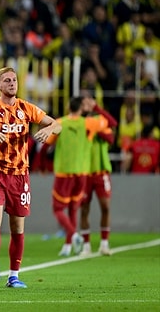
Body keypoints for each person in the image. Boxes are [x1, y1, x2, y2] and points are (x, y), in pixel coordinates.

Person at [0, 67, 61, 289]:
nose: (12, 83)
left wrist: (49, 129)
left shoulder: (26, 108)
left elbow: (58, 124)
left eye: (14, 80)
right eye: (7, 80)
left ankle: (14, 275)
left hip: (20, 175)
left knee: (17, 227)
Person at [47, 96, 110, 256]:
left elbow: (48, 141)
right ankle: (68, 245)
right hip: (82, 173)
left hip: (64, 173)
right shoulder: (89, 123)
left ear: (69, 107)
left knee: (58, 208)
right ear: (81, 109)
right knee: (74, 209)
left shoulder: (60, 123)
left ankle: (73, 235)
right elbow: (109, 122)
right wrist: (96, 108)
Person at [79, 95, 118, 256]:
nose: (87, 105)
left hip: (101, 172)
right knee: (84, 209)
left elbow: (111, 132)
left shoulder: (100, 122)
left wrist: (96, 112)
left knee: (106, 207)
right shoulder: (78, 123)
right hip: (84, 173)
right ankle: (86, 245)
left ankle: (104, 243)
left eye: (90, 102)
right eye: (85, 103)